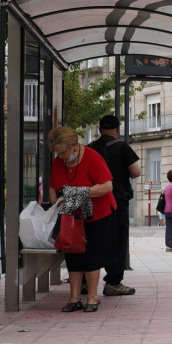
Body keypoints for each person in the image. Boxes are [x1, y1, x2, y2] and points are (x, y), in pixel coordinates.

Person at [47, 126, 116, 313]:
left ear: (74, 146)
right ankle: (74, 298)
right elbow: (53, 186)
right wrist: (56, 198)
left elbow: (107, 186)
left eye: (63, 152)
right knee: (73, 253)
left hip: (97, 213)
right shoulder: (58, 162)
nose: (60, 156)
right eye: (57, 153)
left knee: (92, 255)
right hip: (71, 216)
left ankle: (92, 297)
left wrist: (81, 192)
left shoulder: (92, 157)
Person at [91, 115, 141, 297]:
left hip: (95, 200)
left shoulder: (91, 148)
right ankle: (113, 282)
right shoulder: (122, 147)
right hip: (117, 201)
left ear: (99, 129)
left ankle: (84, 282)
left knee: (94, 238)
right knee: (118, 240)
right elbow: (135, 172)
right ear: (117, 129)